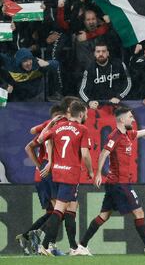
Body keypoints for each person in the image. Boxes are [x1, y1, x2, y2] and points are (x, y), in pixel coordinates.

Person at [79, 107, 145, 255]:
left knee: (104, 215)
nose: (132, 119)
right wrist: (98, 173)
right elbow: (103, 153)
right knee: (138, 212)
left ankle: (81, 246)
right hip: (120, 183)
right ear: (121, 120)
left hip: (115, 183)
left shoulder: (128, 135)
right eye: (130, 117)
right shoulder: (115, 136)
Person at [35, 101, 94, 256]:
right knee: (60, 209)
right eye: (86, 113)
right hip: (70, 174)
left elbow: (40, 139)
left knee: (63, 209)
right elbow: (86, 154)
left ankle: (71, 247)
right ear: (81, 114)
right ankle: (45, 245)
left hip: (56, 173)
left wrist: (51, 124)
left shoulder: (58, 127)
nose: (86, 116)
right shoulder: (82, 129)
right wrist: (91, 171)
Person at [17, 105, 64, 255]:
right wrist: (41, 164)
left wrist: (39, 166)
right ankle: (48, 244)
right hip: (48, 173)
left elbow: (31, 134)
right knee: (59, 210)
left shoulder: (46, 126)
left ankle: (27, 236)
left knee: (52, 212)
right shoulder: (51, 128)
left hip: (45, 173)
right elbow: (31, 145)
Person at [79, 42, 131, 109]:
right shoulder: (89, 69)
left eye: (103, 51)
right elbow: (82, 90)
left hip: (118, 103)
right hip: (99, 106)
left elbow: (128, 83)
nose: (101, 54)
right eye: (98, 51)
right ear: (94, 54)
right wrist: (89, 102)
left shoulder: (119, 64)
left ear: (108, 53)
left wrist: (119, 97)